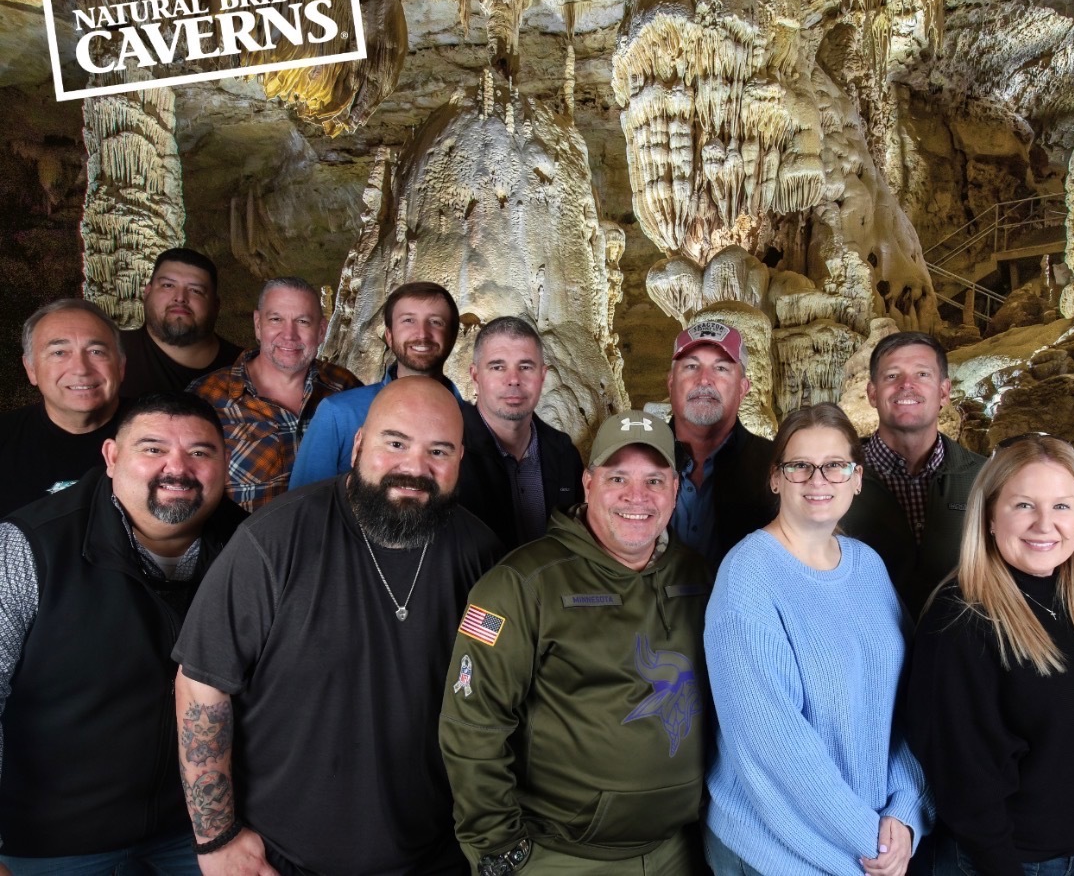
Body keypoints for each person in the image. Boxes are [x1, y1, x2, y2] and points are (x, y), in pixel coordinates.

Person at [172, 377, 502, 875]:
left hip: (437, 853)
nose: (415, 468)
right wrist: (215, 838)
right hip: (287, 859)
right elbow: (201, 687)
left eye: (439, 450)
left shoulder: (479, 553)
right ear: (358, 445)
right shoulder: (272, 541)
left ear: (460, 460)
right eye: (396, 443)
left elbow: (495, 697)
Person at [440, 409, 710, 874]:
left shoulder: (700, 578)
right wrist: (497, 846)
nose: (636, 497)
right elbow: (472, 723)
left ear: (673, 491)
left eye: (654, 480)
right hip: (564, 857)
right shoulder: (522, 585)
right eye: (618, 477)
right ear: (588, 484)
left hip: (677, 850)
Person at [0, 393, 245, 873]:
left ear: (225, 462)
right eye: (152, 449)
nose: (177, 468)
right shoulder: (28, 546)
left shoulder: (253, 547)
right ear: (112, 458)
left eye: (199, 452)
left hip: (199, 832)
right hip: (55, 841)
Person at [704, 403, 933, 876]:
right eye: (799, 466)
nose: (817, 479)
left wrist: (905, 812)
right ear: (776, 478)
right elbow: (776, 746)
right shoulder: (748, 575)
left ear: (856, 478)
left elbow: (914, 700)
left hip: (874, 846)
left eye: (834, 466)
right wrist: (871, 840)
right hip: (776, 851)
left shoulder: (867, 566)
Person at [907, 434, 1074, 876]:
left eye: (1062, 506)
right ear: (990, 516)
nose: (1044, 524)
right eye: (1023, 505)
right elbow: (963, 777)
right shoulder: (960, 619)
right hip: (999, 862)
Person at [839, 331, 986, 616]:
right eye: (892, 376)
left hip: (958, 649)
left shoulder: (985, 479)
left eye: (922, 374)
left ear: (944, 392)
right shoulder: (834, 480)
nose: (907, 385)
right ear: (872, 393)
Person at [189, 276, 360, 511]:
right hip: (245, 545)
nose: (289, 334)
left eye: (303, 321)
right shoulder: (206, 398)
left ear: (321, 331)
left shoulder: (345, 387)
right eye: (276, 319)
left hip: (333, 542)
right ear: (258, 325)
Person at [290, 281, 461, 488]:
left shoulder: (476, 422)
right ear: (389, 336)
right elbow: (305, 505)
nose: (422, 334)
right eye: (408, 321)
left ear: (452, 336)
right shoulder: (338, 414)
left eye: (435, 322)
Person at [454, 316, 584, 549]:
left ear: (542, 376)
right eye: (498, 367)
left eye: (525, 367)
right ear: (475, 377)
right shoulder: (449, 453)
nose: (513, 380)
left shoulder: (565, 455)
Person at [0, 298, 129, 517]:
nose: (80, 369)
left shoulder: (163, 433)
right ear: (30, 368)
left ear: (120, 365)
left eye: (96, 351)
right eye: (59, 353)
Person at [667, 320, 775, 568]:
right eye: (692, 366)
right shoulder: (637, 460)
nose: (704, 380)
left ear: (743, 388)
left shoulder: (774, 468)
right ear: (671, 383)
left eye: (721, 368)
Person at [119, 248, 242, 398]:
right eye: (168, 285)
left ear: (215, 306)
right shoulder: (108, 353)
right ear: (147, 292)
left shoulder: (245, 368)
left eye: (195, 290)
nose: (180, 298)